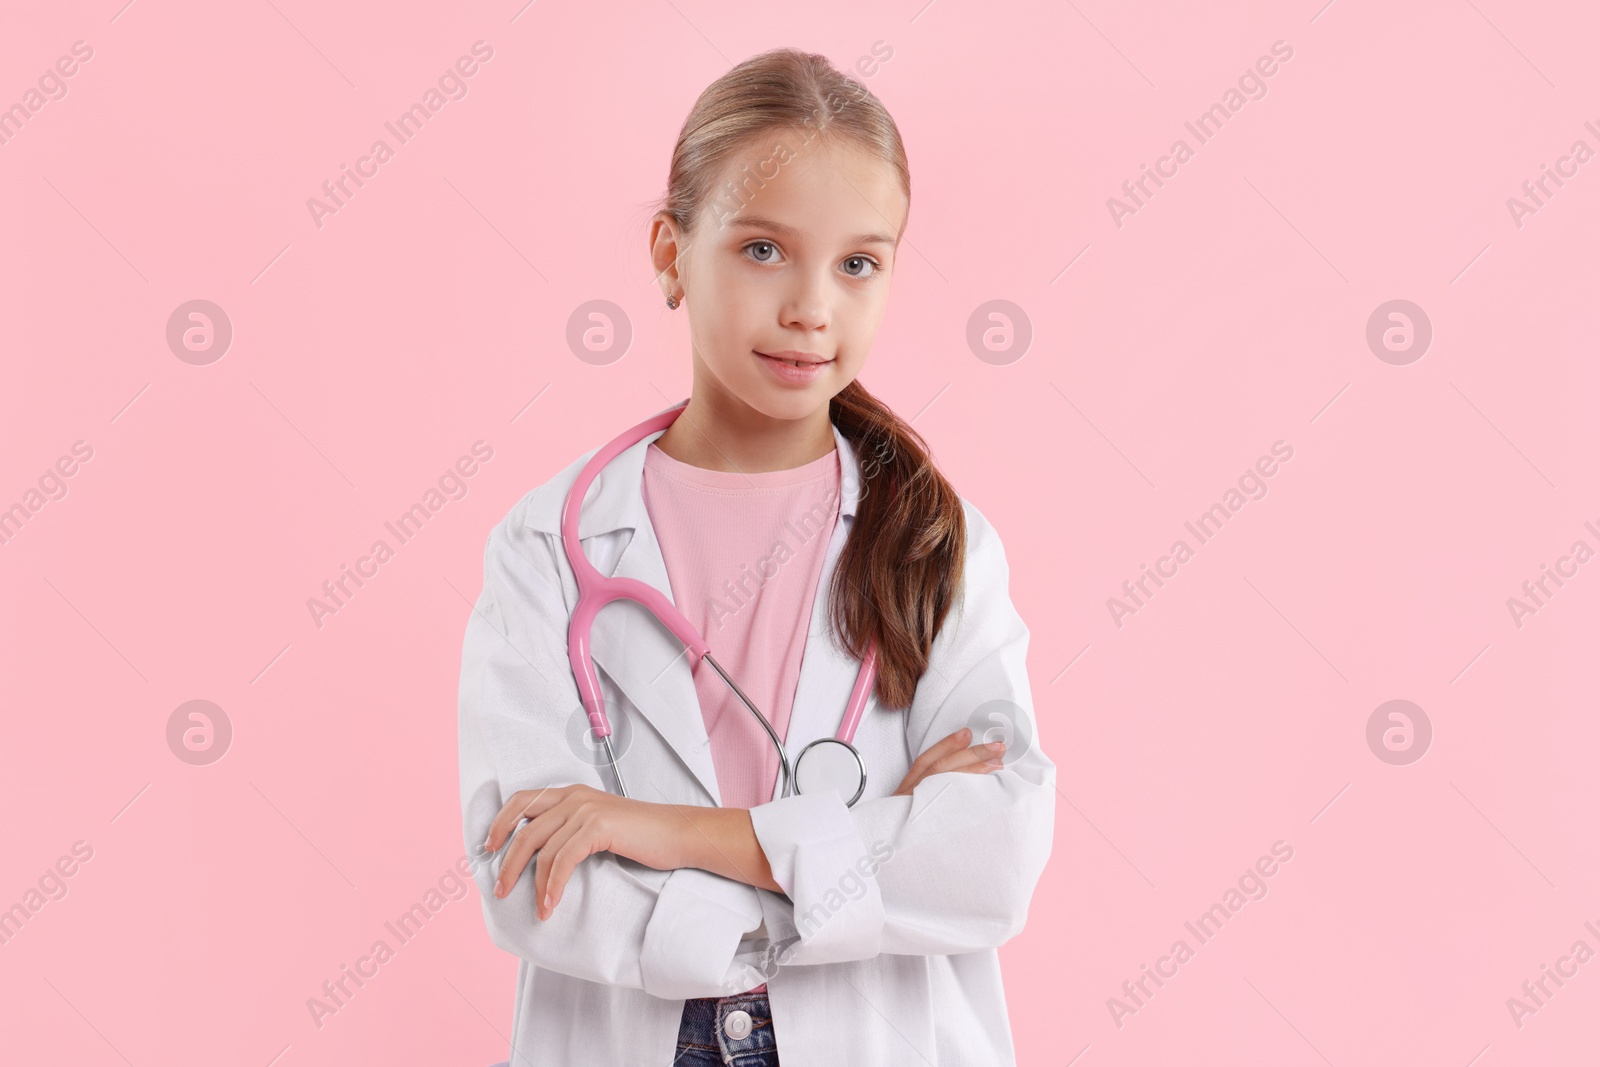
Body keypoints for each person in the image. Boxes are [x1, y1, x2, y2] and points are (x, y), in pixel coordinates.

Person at [457, 46, 1055, 1066]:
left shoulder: (933, 544)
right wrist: (855, 862)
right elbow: (534, 882)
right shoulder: (546, 547)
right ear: (668, 252)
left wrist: (651, 827)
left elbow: (989, 860)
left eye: (857, 262)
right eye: (763, 250)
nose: (812, 306)